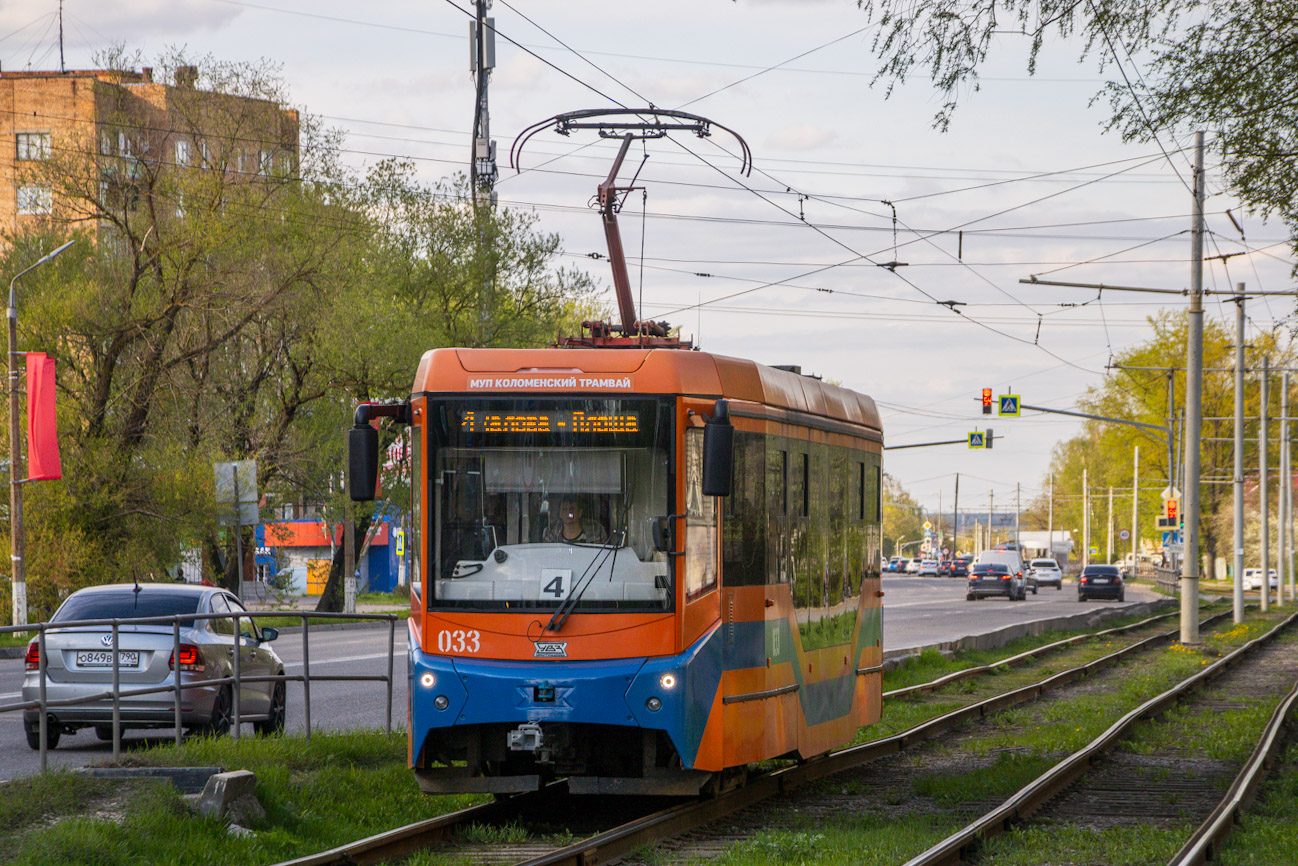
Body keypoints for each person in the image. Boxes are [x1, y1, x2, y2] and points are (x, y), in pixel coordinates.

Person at [543, 496, 608, 544]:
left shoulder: (596, 532)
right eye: (564, 509)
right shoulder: (551, 533)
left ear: (580, 513)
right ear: (560, 514)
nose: (568, 513)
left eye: (572, 509)